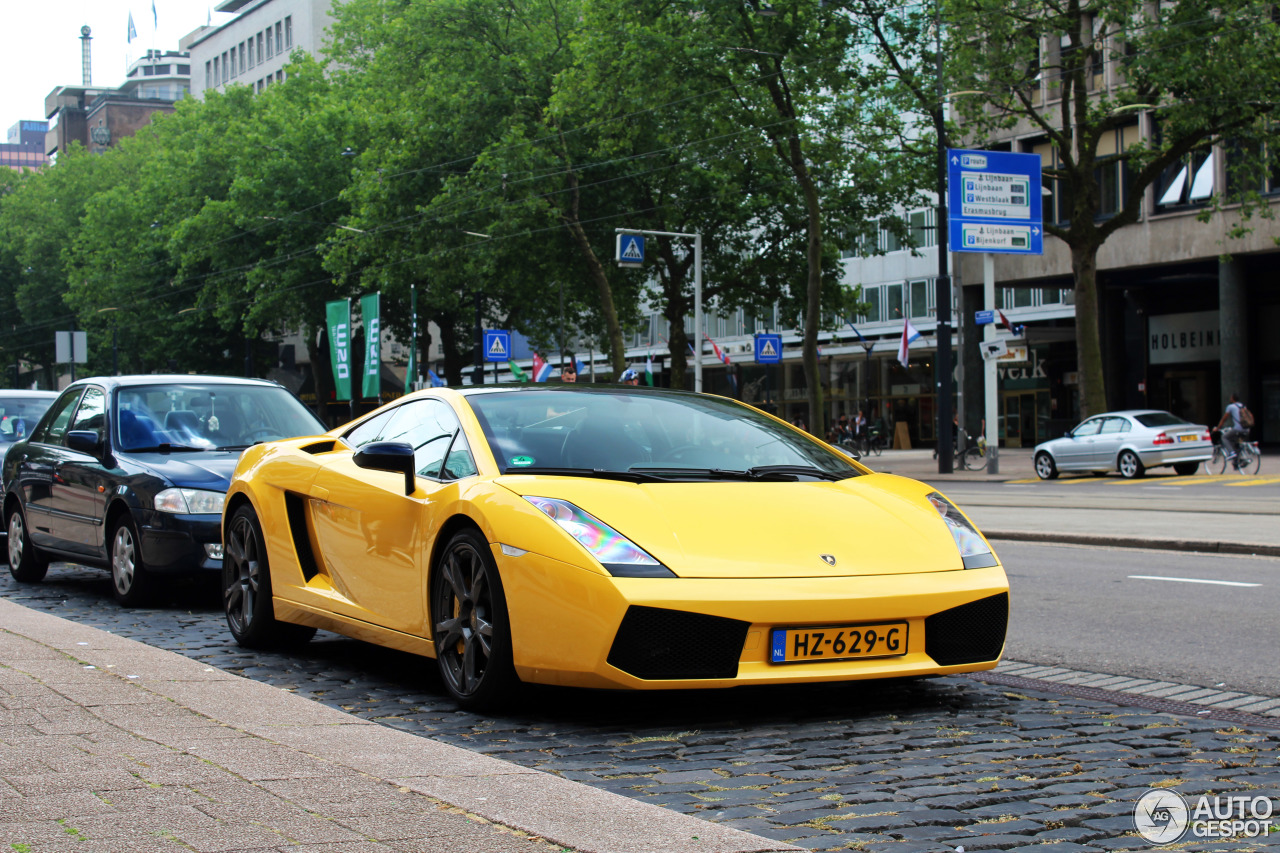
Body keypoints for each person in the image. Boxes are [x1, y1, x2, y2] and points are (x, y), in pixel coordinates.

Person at [1216, 392, 1250, 469]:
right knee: (1237, 443)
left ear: (1232, 398)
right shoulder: (1243, 406)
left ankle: (1231, 453)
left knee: (1224, 437)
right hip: (1246, 430)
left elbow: (1224, 419)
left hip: (1238, 429)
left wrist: (1218, 427)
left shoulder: (1230, 406)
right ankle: (1237, 462)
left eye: (1230, 397)